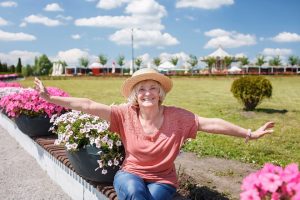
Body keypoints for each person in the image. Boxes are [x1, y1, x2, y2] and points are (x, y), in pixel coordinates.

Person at [34, 68, 274, 200]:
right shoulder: (124, 114)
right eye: (141, 90)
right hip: (131, 175)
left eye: (152, 88)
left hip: (163, 180)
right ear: (135, 95)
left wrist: (249, 133)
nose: (147, 93)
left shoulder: (178, 118)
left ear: (160, 93)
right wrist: (51, 98)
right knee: (137, 193)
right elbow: (87, 104)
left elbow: (212, 123)